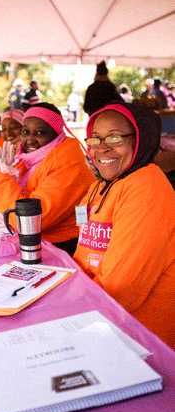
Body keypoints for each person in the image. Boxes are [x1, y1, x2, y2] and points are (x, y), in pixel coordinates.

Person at [73, 102, 175, 347]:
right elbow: (84, 238)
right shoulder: (104, 183)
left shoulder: (146, 191)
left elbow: (120, 289)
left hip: (136, 337)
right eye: (95, 139)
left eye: (115, 138)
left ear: (141, 139)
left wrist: (65, 311)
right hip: (98, 313)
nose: (102, 149)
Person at [0, 102, 96, 256]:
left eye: (40, 133)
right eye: (26, 132)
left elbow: (29, 220)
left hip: (64, 247)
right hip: (38, 240)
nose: (30, 140)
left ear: (57, 134)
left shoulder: (66, 162)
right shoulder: (29, 158)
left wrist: (0, 176)